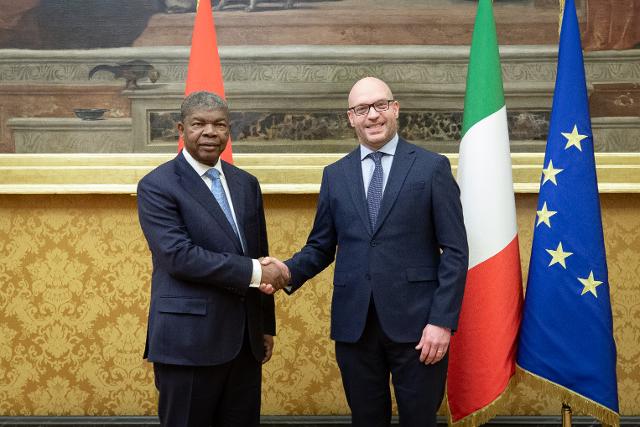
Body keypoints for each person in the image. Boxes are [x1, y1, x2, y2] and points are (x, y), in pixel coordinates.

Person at [262, 77, 468, 427]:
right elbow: (321, 246)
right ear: (350, 118)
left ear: (395, 109)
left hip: (419, 329)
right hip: (355, 327)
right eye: (362, 109)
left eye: (379, 106)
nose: (372, 116)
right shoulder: (335, 175)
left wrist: (441, 322)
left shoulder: (431, 167)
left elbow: (456, 251)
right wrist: (287, 272)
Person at [137, 91, 288, 427]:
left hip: (245, 344)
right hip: (187, 343)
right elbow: (179, 256)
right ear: (181, 128)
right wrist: (255, 271)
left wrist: (264, 326)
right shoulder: (157, 185)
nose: (209, 132)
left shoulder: (246, 184)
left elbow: (258, 251)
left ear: (228, 132)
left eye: (219, 124)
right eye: (199, 124)